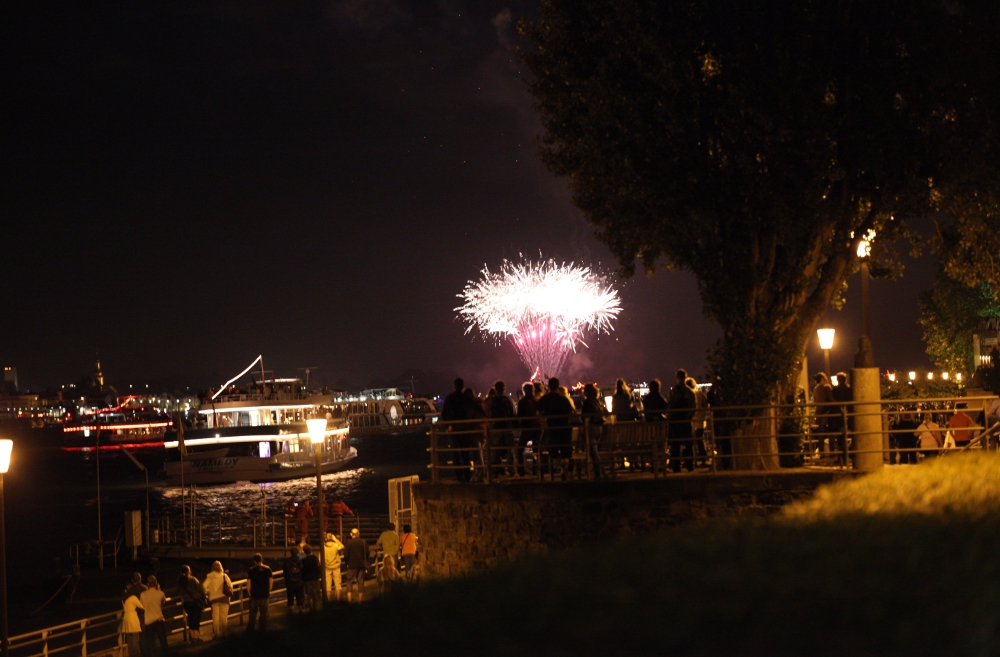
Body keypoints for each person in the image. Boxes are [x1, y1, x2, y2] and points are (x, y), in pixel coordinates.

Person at [537, 377, 575, 478]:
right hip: (564, 429)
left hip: (552, 430)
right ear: (558, 386)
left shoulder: (544, 399)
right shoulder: (564, 399)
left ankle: (558, 468)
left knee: (553, 451)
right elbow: (571, 413)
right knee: (566, 452)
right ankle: (564, 471)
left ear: (548, 386)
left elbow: (538, 413)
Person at [441, 378, 472, 481]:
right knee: (465, 453)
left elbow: (443, 414)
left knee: (456, 454)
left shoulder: (449, 398)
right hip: (465, 429)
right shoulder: (466, 398)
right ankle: (467, 475)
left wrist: (449, 425)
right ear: (462, 386)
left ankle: (459, 476)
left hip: (453, 429)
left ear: (454, 386)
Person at [667, 370, 697, 472]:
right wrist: (689, 417)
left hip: (676, 421)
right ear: (686, 377)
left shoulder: (673, 390)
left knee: (675, 444)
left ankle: (676, 465)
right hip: (686, 420)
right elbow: (694, 407)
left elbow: (670, 406)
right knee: (688, 444)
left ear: (677, 377)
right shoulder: (691, 391)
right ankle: (690, 465)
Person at [489, 380, 517, 475]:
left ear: (495, 389)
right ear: (504, 389)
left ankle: (497, 470)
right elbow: (514, 414)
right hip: (508, 428)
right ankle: (511, 470)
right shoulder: (509, 400)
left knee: (495, 450)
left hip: (496, 428)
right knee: (510, 450)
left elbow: (488, 414)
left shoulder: (492, 401)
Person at [580, 383, 606, 479]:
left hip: (591, 428)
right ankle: (601, 472)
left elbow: (584, 416)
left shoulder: (587, 402)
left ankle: (599, 474)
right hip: (599, 428)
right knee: (595, 452)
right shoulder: (597, 401)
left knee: (593, 453)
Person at [203, 560, 232, 639]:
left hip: (214, 599)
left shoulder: (210, 577)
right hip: (224, 598)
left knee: (215, 617)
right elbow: (230, 586)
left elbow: (204, 586)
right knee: (224, 617)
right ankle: (224, 634)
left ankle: (217, 634)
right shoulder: (224, 576)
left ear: (212, 567)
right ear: (221, 567)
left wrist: (208, 592)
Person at [140, 576, 168, 655]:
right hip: (159, 619)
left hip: (148, 621)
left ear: (148, 584)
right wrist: (159, 589)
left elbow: (142, 605)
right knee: (163, 641)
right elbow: (162, 603)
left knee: (150, 643)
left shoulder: (143, 594)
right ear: (156, 583)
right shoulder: (161, 593)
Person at [245, 554, 273, 631]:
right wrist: (268, 591)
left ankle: (251, 629)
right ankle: (262, 628)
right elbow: (270, 582)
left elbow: (248, 583)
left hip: (254, 595)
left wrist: (249, 593)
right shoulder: (268, 569)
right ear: (262, 560)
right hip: (264, 595)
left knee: (253, 613)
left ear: (254, 561)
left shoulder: (251, 570)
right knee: (264, 613)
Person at [517, 382, 540, 475]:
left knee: (520, 448)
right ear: (533, 390)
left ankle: (521, 469)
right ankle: (536, 469)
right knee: (536, 449)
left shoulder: (522, 401)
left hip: (527, 428)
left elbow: (519, 415)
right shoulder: (536, 400)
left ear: (524, 390)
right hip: (537, 427)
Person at [831, 372, 853, 464]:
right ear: (845, 379)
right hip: (850, 416)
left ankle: (842, 458)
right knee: (852, 436)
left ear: (838, 380)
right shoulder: (849, 390)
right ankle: (851, 455)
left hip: (839, 417)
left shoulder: (835, 391)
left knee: (840, 439)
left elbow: (832, 402)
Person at [177, 565, 204, 642]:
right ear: (189, 571)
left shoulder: (179, 581)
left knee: (191, 619)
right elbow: (201, 589)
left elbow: (179, 591)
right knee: (196, 620)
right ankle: (196, 637)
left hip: (186, 603)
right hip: (195, 602)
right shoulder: (193, 579)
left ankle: (192, 637)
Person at [812, 373, 836, 457]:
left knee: (821, 435)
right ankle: (832, 453)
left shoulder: (816, 389)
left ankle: (821, 453)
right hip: (828, 413)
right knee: (831, 434)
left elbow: (816, 402)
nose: (826, 379)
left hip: (820, 414)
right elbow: (831, 400)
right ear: (822, 379)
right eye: (825, 377)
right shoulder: (827, 387)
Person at [343, 527, 369, 603]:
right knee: (360, 581)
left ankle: (349, 600)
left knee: (349, 582)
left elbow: (346, 555)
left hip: (351, 565)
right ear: (358, 534)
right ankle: (359, 600)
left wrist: (347, 563)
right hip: (361, 564)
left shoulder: (349, 542)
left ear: (351, 534)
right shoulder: (363, 542)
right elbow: (367, 553)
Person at [122, 590, 144, 657]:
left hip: (126, 617)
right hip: (132, 617)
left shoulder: (124, 598)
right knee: (135, 637)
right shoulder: (133, 597)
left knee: (129, 639)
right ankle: (137, 654)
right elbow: (142, 606)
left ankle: (131, 654)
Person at [282, 546, 305, 611]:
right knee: (300, 599)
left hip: (290, 583)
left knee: (290, 599)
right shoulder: (301, 560)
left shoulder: (287, 561)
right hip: (299, 582)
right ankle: (300, 612)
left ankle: (291, 613)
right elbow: (302, 570)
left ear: (291, 553)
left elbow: (285, 572)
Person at [301, 544, 322, 611]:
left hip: (307, 579)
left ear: (304, 551)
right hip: (315, 577)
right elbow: (318, 565)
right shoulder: (314, 558)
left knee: (308, 594)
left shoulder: (303, 560)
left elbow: (302, 569)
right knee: (315, 593)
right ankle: (315, 607)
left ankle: (311, 608)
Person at [324, 532, 344, 601]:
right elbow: (342, 546)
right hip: (336, 566)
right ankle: (338, 600)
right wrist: (336, 539)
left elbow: (320, 559)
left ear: (326, 538)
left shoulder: (324, 547)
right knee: (338, 584)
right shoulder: (335, 545)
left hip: (327, 567)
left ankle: (328, 601)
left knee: (328, 586)